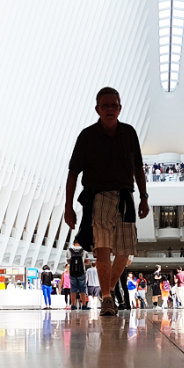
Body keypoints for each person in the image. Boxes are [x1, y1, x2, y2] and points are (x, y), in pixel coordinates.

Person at [64, 87, 150, 316]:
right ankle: (106, 298)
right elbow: (73, 172)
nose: (110, 109)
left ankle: (108, 289)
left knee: (125, 250)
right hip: (98, 197)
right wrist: (68, 206)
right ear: (97, 109)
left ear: (120, 108)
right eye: (106, 105)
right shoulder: (87, 136)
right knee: (102, 249)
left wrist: (143, 197)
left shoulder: (129, 133)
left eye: (114, 105)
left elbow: (138, 168)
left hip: (125, 196)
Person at [68, 242, 89, 310]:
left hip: (72, 273)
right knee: (82, 289)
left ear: (74, 243)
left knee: (73, 289)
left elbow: (68, 261)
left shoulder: (69, 250)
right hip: (81, 272)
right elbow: (87, 262)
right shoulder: (84, 250)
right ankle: (84, 305)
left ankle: (73, 305)